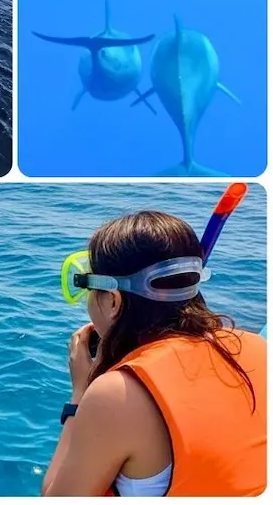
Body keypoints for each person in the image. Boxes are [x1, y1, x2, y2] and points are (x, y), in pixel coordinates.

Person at [43, 210, 266, 496]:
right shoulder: (257, 347)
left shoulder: (115, 396)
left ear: (113, 301)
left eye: (89, 292)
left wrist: (80, 394)